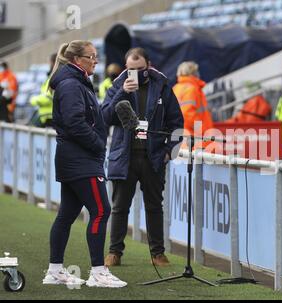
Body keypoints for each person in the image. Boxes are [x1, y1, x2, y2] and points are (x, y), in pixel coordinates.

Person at [43, 40, 126, 288]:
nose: (96, 60)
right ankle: (98, 272)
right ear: (78, 60)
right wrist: (98, 144)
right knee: (101, 211)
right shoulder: (70, 84)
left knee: (67, 214)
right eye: (92, 56)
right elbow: (74, 122)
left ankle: (55, 270)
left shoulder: (76, 82)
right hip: (80, 159)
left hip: (75, 158)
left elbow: (95, 118)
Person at [102, 48, 183, 267]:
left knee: (155, 206)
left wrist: (169, 152)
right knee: (119, 207)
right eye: (131, 69)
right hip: (124, 156)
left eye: (140, 69)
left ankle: (157, 253)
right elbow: (104, 117)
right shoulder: (118, 86)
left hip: (154, 157)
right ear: (125, 67)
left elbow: (177, 123)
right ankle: (114, 252)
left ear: (149, 64)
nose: (136, 73)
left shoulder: (163, 86)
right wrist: (122, 93)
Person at [173, 61, 213, 147]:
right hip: (195, 139)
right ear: (193, 73)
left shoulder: (176, 88)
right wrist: (203, 132)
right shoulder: (191, 89)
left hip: (184, 137)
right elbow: (188, 115)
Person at [29, 53, 57, 127]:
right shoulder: (50, 77)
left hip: (50, 117)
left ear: (54, 63)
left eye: (50, 62)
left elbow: (48, 98)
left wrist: (33, 100)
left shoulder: (54, 78)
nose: (49, 65)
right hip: (45, 116)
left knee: (30, 129)